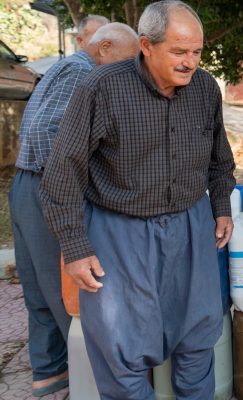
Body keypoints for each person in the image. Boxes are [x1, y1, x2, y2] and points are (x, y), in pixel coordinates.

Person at [39, 1, 236, 397]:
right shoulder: (102, 88)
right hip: (120, 230)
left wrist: (220, 207)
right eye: (179, 52)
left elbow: (220, 157)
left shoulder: (205, 88)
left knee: (198, 335)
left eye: (196, 52)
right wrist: (75, 246)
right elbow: (64, 169)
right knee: (121, 347)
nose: (190, 62)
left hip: (190, 224)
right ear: (146, 45)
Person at [8, 21, 138, 398]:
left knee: (39, 287)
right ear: (104, 48)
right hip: (46, 186)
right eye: (126, 61)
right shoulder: (82, 73)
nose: (127, 71)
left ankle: (50, 375)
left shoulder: (66, 68)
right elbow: (52, 134)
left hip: (27, 183)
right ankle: (86, 379)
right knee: (67, 292)